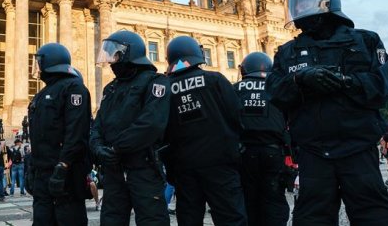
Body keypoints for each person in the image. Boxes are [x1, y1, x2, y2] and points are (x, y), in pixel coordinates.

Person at [266, 0, 388, 224]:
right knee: (311, 217)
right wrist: (299, 79)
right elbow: (274, 93)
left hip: (357, 148)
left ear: (327, 4)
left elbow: (380, 88)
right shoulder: (288, 52)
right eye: (295, 6)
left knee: (375, 214)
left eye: (305, 3)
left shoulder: (365, 41)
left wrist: (344, 81)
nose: (299, 10)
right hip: (313, 152)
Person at [162, 36, 247, 225]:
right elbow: (236, 114)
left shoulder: (165, 88)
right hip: (220, 163)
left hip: (184, 167)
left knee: (189, 218)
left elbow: (161, 130)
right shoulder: (215, 79)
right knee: (230, 217)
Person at [90, 30, 170, 226]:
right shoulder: (111, 88)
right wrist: (99, 149)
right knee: (111, 219)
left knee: (152, 220)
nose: (111, 60)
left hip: (143, 167)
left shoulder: (155, 81)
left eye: (115, 54)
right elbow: (97, 125)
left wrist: (116, 148)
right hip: (113, 171)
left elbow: (150, 124)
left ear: (128, 53)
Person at [27, 42, 92, 225]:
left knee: (68, 218)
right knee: (42, 219)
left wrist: (63, 166)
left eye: (39, 62)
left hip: (66, 172)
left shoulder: (73, 88)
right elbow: (37, 136)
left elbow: (76, 133)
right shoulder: (41, 94)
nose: (37, 67)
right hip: (43, 171)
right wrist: (32, 168)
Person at [233, 51, 289, 226]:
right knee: (274, 201)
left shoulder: (235, 89)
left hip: (243, 154)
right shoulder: (278, 89)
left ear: (245, 70)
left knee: (248, 200)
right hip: (274, 153)